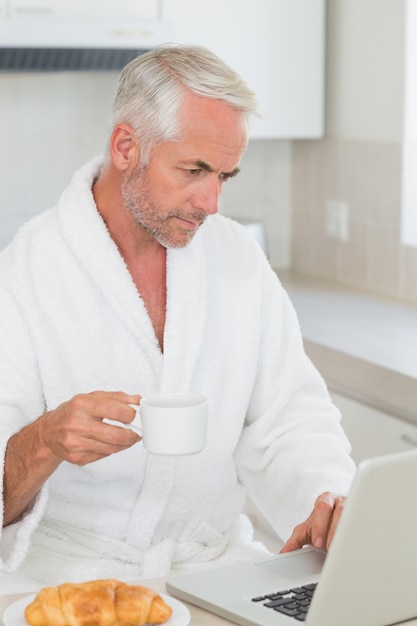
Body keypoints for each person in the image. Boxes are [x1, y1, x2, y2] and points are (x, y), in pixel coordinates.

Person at [0, 44, 356, 593]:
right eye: (193, 170)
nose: (211, 202)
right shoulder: (28, 270)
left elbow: (290, 420)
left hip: (217, 567)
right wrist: (44, 440)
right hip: (66, 580)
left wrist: (330, 499)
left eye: (225, 176)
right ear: (126, 147)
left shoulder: (236, 257)